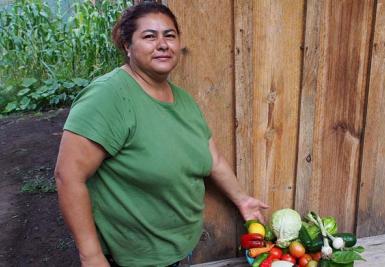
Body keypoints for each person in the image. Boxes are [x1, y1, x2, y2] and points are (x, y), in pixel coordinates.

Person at [54, 2, 268, 267]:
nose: (163, 44)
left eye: (169, 35)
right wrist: (92, 256)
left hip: (176, 250)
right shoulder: (109, 96)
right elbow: (68, 176)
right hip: (131, 258)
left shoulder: (184, 100)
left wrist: (243, 200)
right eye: (149, 36)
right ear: (126, 46)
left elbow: (212, 158)